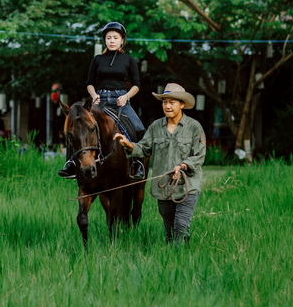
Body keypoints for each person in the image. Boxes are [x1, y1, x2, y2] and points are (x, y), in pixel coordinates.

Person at [114, 83, 206, 244]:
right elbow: (143, 148)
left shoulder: (194, 127)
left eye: (172, 102)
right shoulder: (156, 126)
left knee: (181, 228)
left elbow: (199, 155)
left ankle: (182, 260)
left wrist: (183, 166)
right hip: (163, 188)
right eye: (164, 102)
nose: (167, 106)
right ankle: (171, 262)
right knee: (169, 231)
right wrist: (128, 145)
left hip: (187, 187)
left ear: (182, 104)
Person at [58, 21, 146, 179]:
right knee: (78, 126)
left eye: (115, 37)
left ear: (122, 40)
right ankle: (71, 162)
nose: (112, 40)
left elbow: (137, 85)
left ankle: (137, 162)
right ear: (104, 40)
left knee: (139, 127)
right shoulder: (97, 59)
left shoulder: (129, 60)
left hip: (121, 100)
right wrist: (94, 95)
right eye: (108, 38)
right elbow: (89, 83)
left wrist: (126, 96)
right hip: (100, 100)